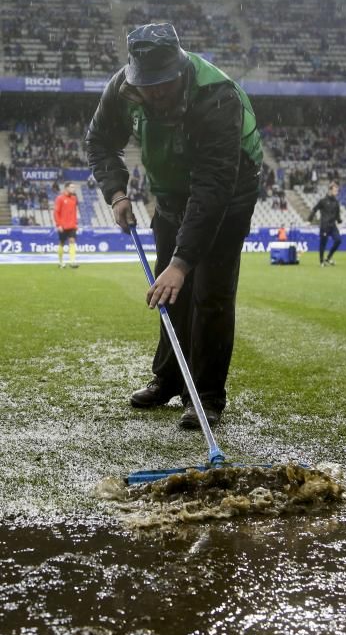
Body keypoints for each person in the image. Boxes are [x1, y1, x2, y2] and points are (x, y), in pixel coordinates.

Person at [86, 23, 263, 430]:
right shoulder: (123, 88)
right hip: (169, 196)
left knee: (210, 294)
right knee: (170, 293)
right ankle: (168, 379)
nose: (156, 93)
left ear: (180, 69)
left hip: (227, 196)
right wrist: (117, 193)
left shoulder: (216, 96)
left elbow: (213, 187)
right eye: (148, 84)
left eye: (164, 83)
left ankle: (206, 396)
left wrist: (183, 262)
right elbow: (99, 141)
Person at [308, 181, 342, 266]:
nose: (336, 192)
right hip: (324, 226)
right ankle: (321, 261)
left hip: (333, 225)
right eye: (335, 190)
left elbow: (337, 213)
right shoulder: (323, 201)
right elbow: (314, 209)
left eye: (337, 191)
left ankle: (328, 258)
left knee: (338, 240)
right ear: (330, 191)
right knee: (323, 243)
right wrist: (310, 219)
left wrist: (339, 220)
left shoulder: (336, 202)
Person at [53, 181, 79, 268]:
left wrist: (75, 223)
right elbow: (56, 212)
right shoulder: (60, 198)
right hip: (63, 226)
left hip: (72, 225)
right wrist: (58, 225)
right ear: (66, 188)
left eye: (74, 187)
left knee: (72, 241)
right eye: (72, 187)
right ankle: (60, 262)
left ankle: (72, 262)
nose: (73, 189)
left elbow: (74, 212)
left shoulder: (74, 198)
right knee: (61, 243)